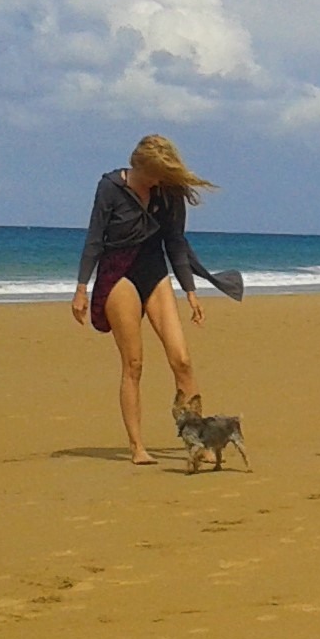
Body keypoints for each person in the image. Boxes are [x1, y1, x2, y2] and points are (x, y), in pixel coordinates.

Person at [72, 135, 244, 465]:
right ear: (139, 166)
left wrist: (190, 292)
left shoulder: (169, 191)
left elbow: (175, 243)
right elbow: (94, 238)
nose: (158, 181)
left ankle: (199, 442)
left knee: (182, 360)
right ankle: (137, 447)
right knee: (134, 364)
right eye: (154, 174)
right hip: (118, 274)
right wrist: (81, 288)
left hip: (153, 271)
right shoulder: (110, 187)